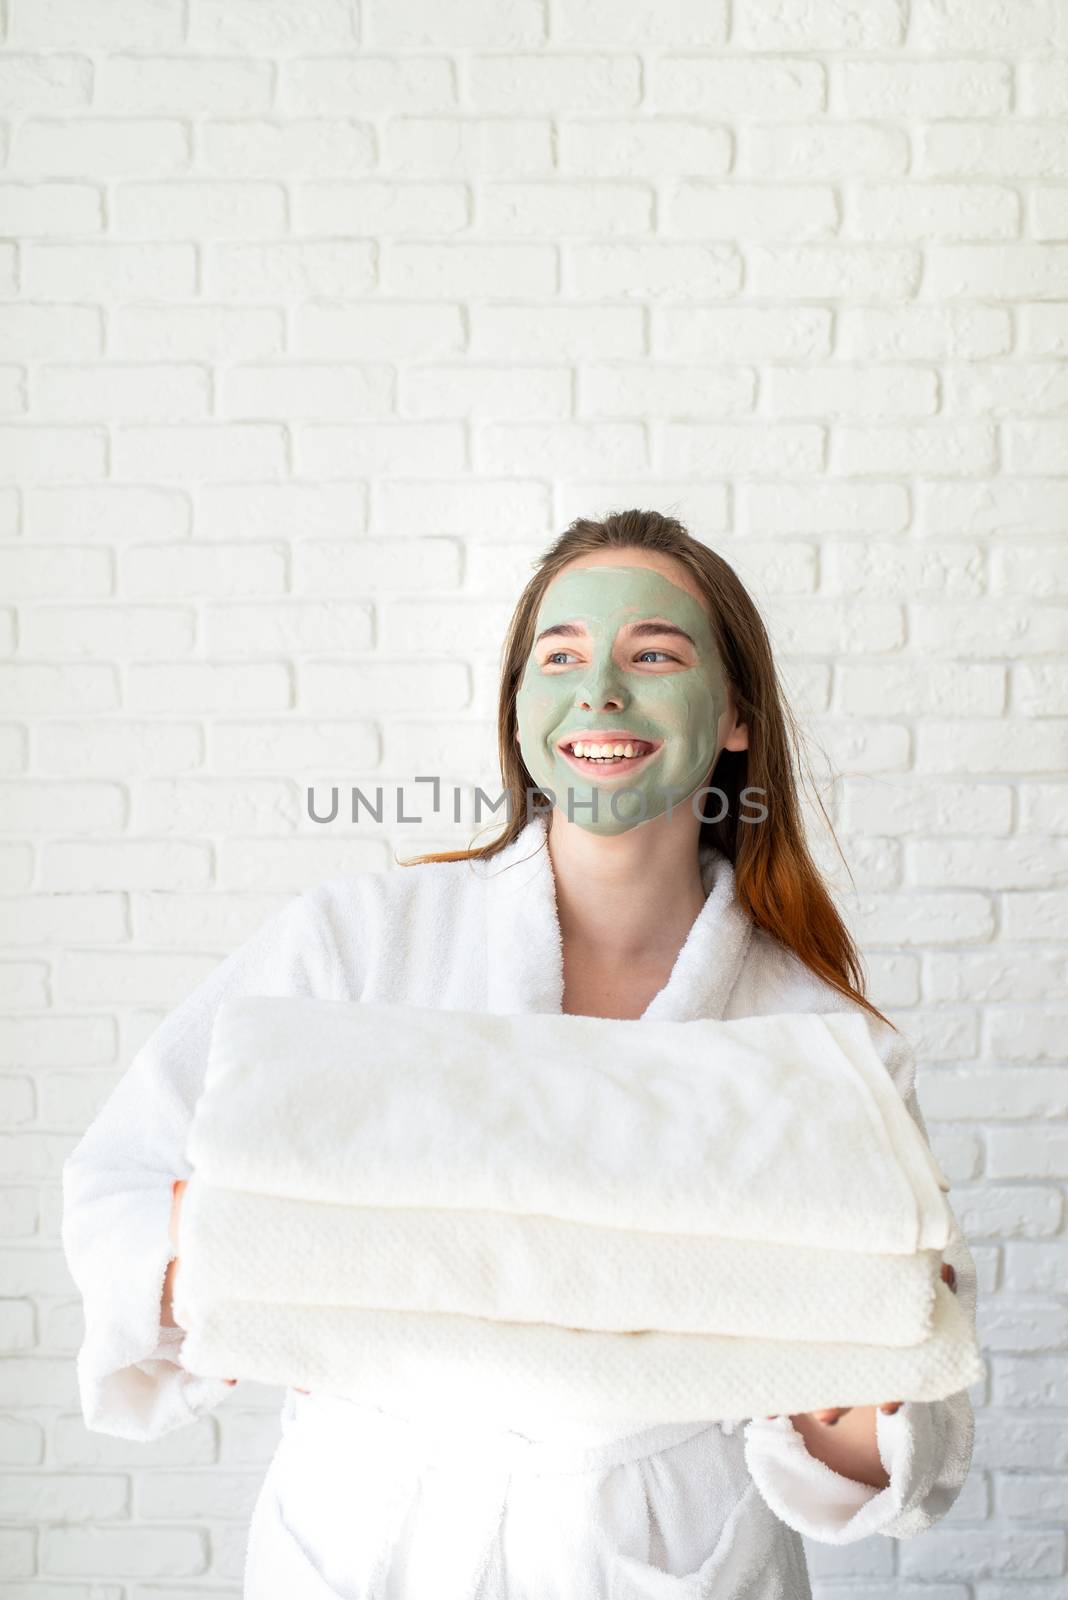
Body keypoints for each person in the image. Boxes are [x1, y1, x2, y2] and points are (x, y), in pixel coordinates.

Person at [61, 509, 977, 1600]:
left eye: (653, 655)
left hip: (657, 1548)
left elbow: (889, 1424)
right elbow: (120, 1187)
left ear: (736, 714)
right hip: (370, 1535)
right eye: (560, 658)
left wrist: (859, 1378)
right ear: (520, 709)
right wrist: (251, 1256)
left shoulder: (823, 1044)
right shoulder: (356, 943)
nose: (600, 692)